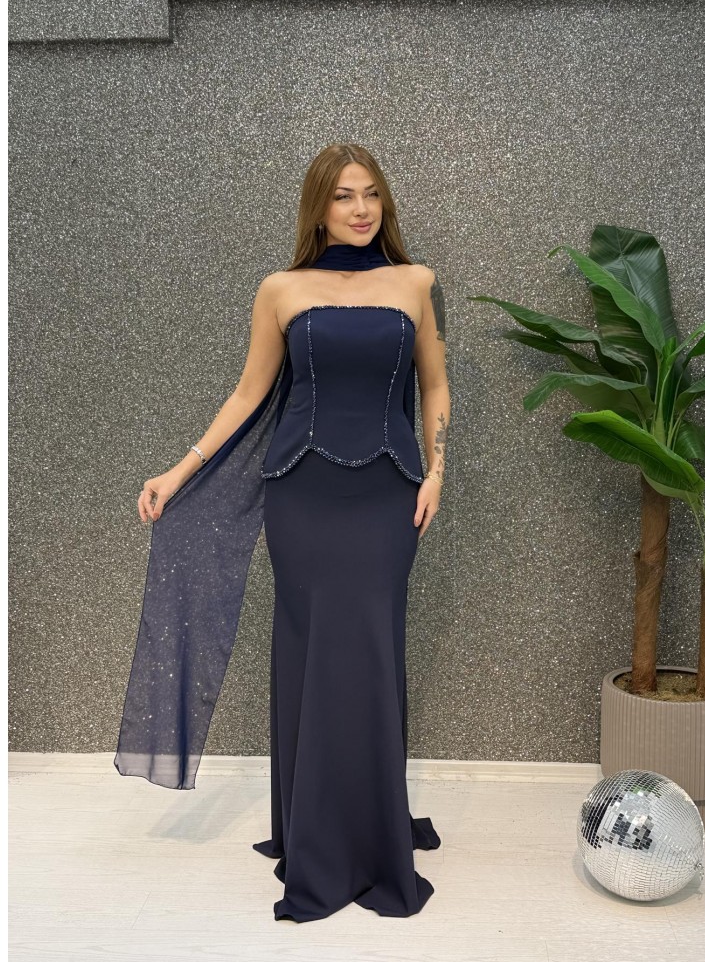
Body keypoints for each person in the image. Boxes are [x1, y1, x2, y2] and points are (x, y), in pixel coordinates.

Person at [113, 143, 451, 922]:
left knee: (370, 653)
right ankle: (315, 837)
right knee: (312, 655)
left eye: (371, 194)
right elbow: (247, 395)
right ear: (318, 208)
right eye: (343, 196)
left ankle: (369, 832)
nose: (360, 209)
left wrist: (437, 470)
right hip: (301, 493)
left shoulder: (415, 282)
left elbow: (435, 383)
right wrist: (178, 470)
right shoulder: (280, 290)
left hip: (388, 494)